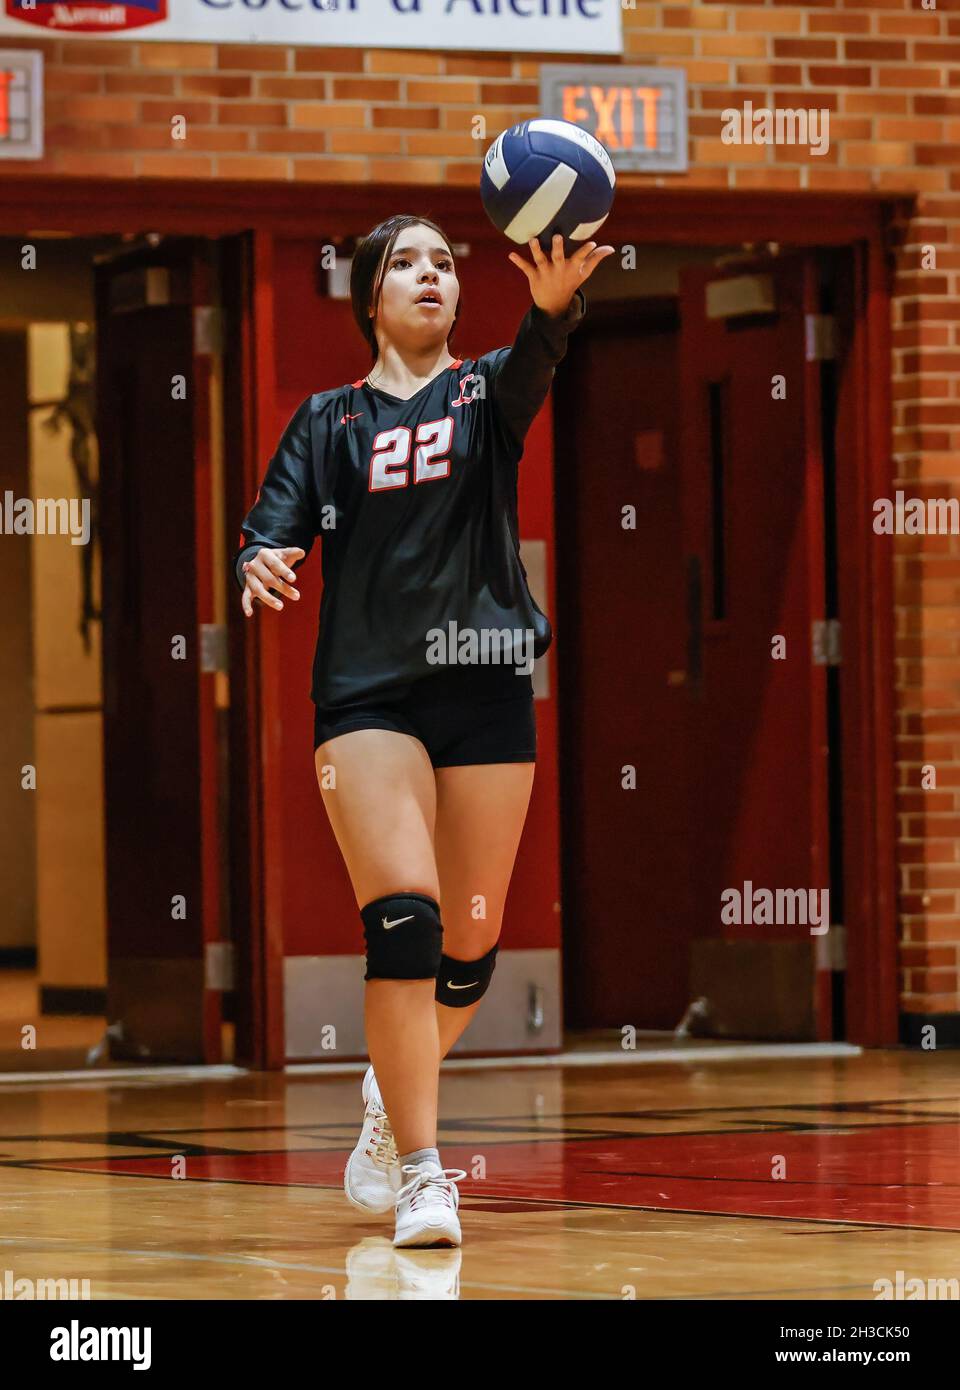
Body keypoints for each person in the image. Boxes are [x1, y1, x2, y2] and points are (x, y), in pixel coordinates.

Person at [233, 214, 612, 1247]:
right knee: (405, 918)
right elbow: (268, 530)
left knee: (473, 946)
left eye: (446, 261)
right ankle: (424, 1173)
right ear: (371, 295)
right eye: (407, 261)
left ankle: (387, 1092)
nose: (432, 274)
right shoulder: (327, 422)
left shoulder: (486, 395)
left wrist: (552, 303)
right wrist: (259, 562)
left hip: (486, 682)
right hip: (368, 698)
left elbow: (541, 352)